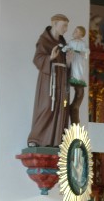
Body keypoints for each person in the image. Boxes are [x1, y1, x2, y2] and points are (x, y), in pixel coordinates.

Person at [27, 14, 71, 147]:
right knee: (47, 105)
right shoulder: (44, 40)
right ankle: (36, 139)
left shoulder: (63, 43)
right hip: (49, 78)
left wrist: (69, 62)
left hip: (61, 78)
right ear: (54, 24)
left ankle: (56, 141)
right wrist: (50, 58)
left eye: (66, 26)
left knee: (61, 106)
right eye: (64, 26)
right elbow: (37, 59)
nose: (66, 29)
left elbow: (66, 63)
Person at [64, 25, 89, 125]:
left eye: (76, 31)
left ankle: (77, 78)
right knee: (72, 69)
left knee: (78, 70)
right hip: (73, 58)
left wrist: (83, 53)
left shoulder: (82, 43)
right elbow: (67, 48)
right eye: (74, 30)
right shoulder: (71, 42)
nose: (74, 32)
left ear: (81, 35)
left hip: (79, 60)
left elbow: (86, 52)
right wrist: (65, 49)